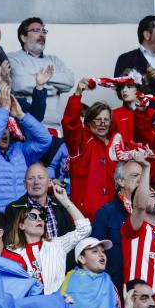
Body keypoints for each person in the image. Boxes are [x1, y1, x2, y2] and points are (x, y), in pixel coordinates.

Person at [0, 84, 52, 212]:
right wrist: (3, 109)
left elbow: (45, 140)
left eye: (6, 127)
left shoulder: (21, 150)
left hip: (21, 220)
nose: (3, 132)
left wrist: (20, 115)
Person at [6, 191, 90, 292]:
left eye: (42, 217)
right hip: (28, 305)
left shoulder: (57, 245)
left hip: (56, 304)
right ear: (21, 225)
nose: (39, 219)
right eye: (33, 216)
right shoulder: (12, 251)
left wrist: (65, 201)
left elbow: (85, 229)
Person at [7, 17, 75, 134]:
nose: (42, 34)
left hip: (55, 128)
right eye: (36, 30)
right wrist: (55, 88)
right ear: (23, 37)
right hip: (26, 127)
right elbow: (20, 84)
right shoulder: (13, 58)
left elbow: (69, 81)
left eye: (44, 31)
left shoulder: (54, 60)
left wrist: (40, 81)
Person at [64, 80, 119, 218]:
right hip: (85, 216)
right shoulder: (80, 141)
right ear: (88, 121)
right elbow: (69, 123)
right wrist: (77, 94)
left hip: (111, 215)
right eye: (97, 119)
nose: (102, 123)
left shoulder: (116, 145)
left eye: (106, 120)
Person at [91, 159, 147, 288]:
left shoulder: (150, 214)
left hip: (145, 285)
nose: (140, 180)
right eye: (134, 176)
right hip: (116, 286)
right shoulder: (106, 213)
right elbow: (96, 253)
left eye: (142, 176)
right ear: (120, 181)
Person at [59, 238, 120, 308]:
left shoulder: (109, 283)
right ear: (82, 259)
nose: (101, 255)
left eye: (103, 252)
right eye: (94, 251)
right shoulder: (70, 282)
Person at [122, 174, 155, 291]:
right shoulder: (134, 227)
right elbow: (139, 207)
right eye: (153, 195)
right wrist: (146, 167)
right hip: (138, 300)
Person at [5, 162, 76, 240]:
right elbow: (10, 242)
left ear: (49, 183)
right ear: (25, 184)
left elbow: (72, 238)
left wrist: (66, 202)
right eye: (31, 178)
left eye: (40, 177)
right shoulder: (13, 209)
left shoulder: (61, 206)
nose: (36, 182)